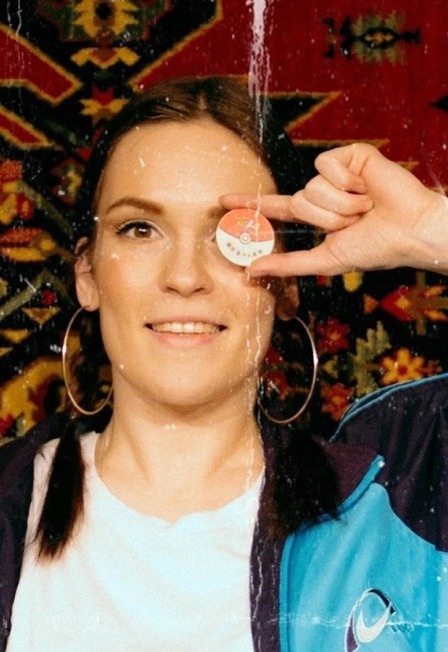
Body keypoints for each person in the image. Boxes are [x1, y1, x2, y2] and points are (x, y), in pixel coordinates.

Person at [0, 76, 447, 652]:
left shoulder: (407, 488)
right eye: (140, 228)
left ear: (290, 280)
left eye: (235, 233)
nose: (185, 276)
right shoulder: (10, 502)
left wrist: (428, 232)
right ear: (87, 273)